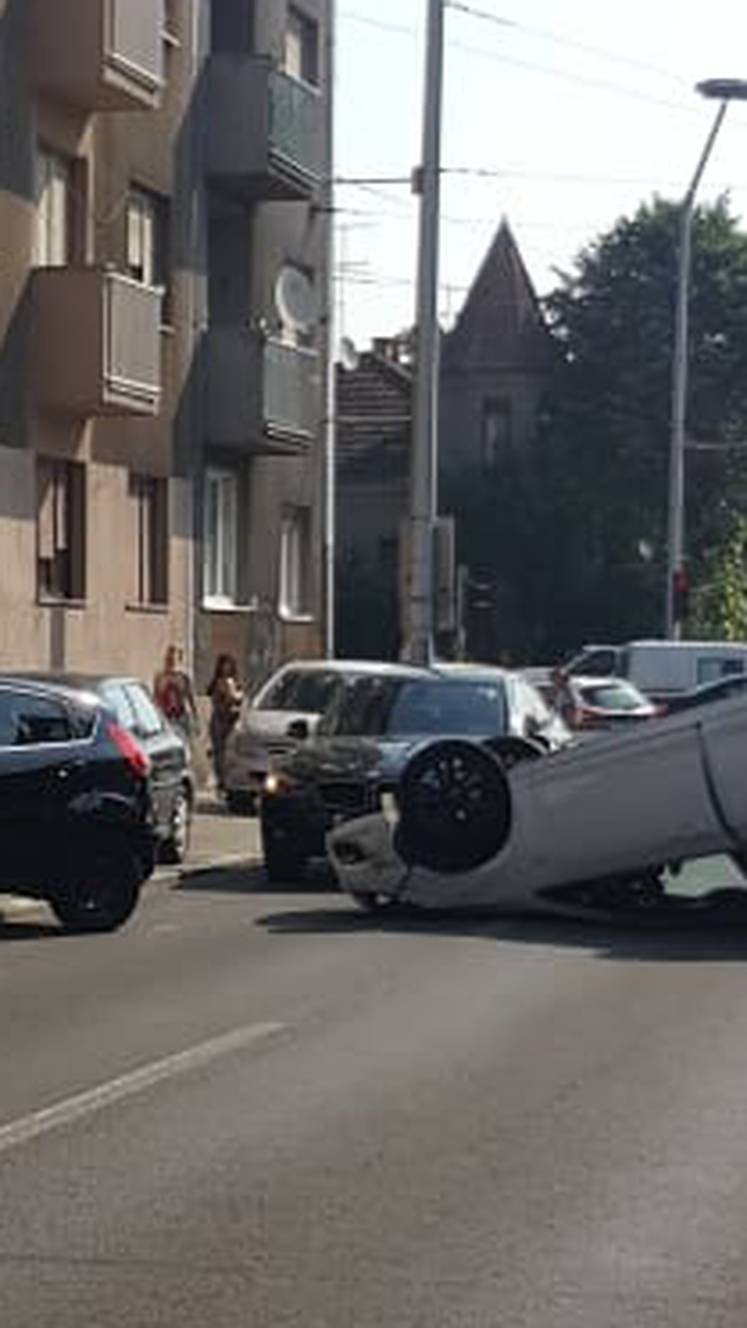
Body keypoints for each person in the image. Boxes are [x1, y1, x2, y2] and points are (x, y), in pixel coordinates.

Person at [207, 653, 243, 793]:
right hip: (219, 720)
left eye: (228, 665)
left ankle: (229, 781)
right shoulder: (219, 683)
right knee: (219, 753)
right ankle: (221, 781)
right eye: (224, 665)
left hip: (232, 720)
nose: (226, 668)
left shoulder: (235, 682)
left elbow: (239, 699)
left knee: (231, 752)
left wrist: (236, 697)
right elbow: (217, 699)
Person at [154, 645, 198, 746]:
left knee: (184, 744)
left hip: (181, 716)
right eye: (169, 659)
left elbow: (190, 698)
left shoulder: (183, 678)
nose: (171, 662)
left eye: (174, 659)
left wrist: (195, 718)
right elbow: (156, 697)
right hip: (165, 717)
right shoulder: (160, 677)